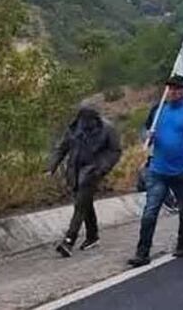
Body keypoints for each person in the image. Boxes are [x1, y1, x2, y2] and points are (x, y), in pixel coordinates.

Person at [128, 75, 183, 267]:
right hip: (158, 169)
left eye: (178, 89)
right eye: (170, 88)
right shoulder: (158, 109)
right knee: (150, 211)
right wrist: (148, 136)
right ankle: (142, 252)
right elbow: (145, 133)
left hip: (182, 170)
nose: (173, 92)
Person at [48, 101, 122, 257]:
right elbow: (62, 148)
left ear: (96, 117)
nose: (85, 121)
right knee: (85, 203)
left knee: (80, 205)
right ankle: (92, 236)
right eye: (83, 117)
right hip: (74, 170)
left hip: (92, 170)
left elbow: (115, 151)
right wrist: (52, 167)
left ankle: (69, 241)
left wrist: (102, 168)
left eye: (89, 118)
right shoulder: (74, 129)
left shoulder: (107, 129)